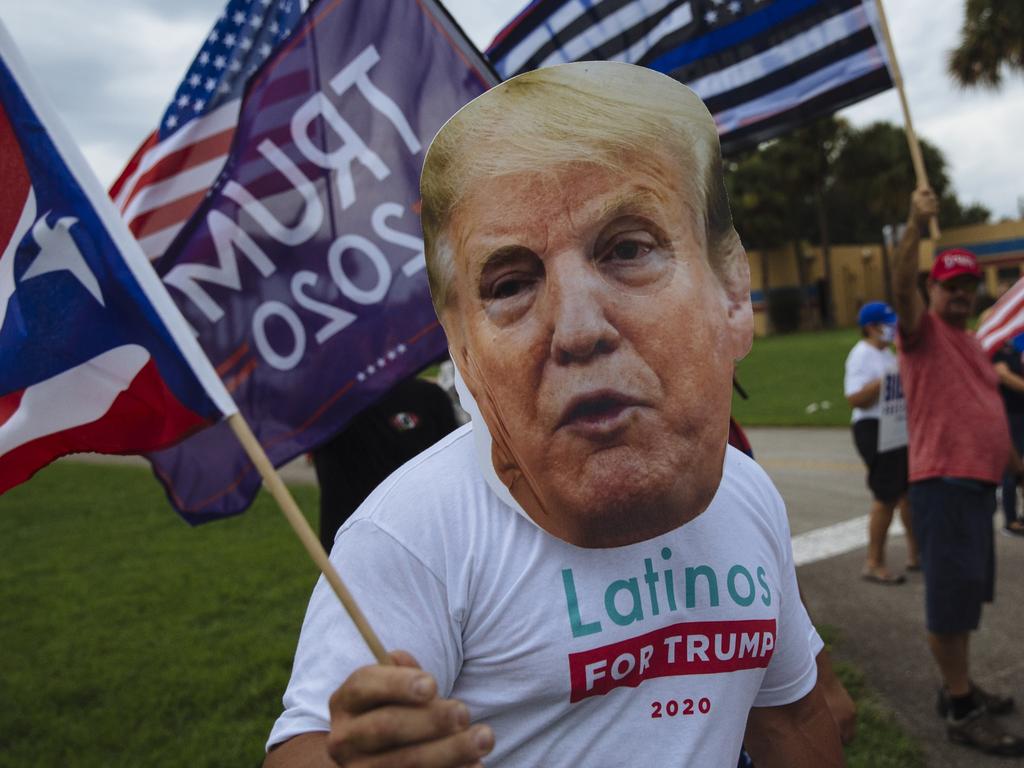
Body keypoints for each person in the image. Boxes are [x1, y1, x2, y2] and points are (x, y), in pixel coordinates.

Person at [264, 62, 842, 767]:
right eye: (510, 283)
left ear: (731, 294)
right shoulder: (413, 533)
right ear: (465, 353)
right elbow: (310, 748)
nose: (576, 329)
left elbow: (794, 718)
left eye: (628, 249)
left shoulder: (748, 495)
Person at [892, 188, 1024, 756]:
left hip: (977, 486)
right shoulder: (921, 334)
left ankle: (960, 689)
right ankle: (961, 707)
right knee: (949, 601)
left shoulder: (972, 343)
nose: (964, 294)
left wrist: (1017, 465)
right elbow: (899, 289)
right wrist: (914, 225)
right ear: (933, 289)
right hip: (942, 484)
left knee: (966, 600)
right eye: (952, 286)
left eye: (970, 286)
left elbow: (985, 413)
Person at [311, 375, 459, 552]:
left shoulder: (427, 396)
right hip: (356, 550)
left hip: (432, 544)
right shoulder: (326, 410)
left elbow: (455, 472)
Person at [843, 300, 919, 584]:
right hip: (872, 427)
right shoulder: (861, 355)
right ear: (870, 327)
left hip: (895, 427)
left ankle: (916, 554)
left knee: (907, 494)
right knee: (886, 496)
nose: (892, 328)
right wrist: (886, 379)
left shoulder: (888, 353)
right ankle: (874, 562)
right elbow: (854, 398)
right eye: (886, 324)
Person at [992, 333, 1024, 536]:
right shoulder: (1000, 345)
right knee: (1011, 468)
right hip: (1010, 414)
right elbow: (1001, 374)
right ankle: (1010, 520)